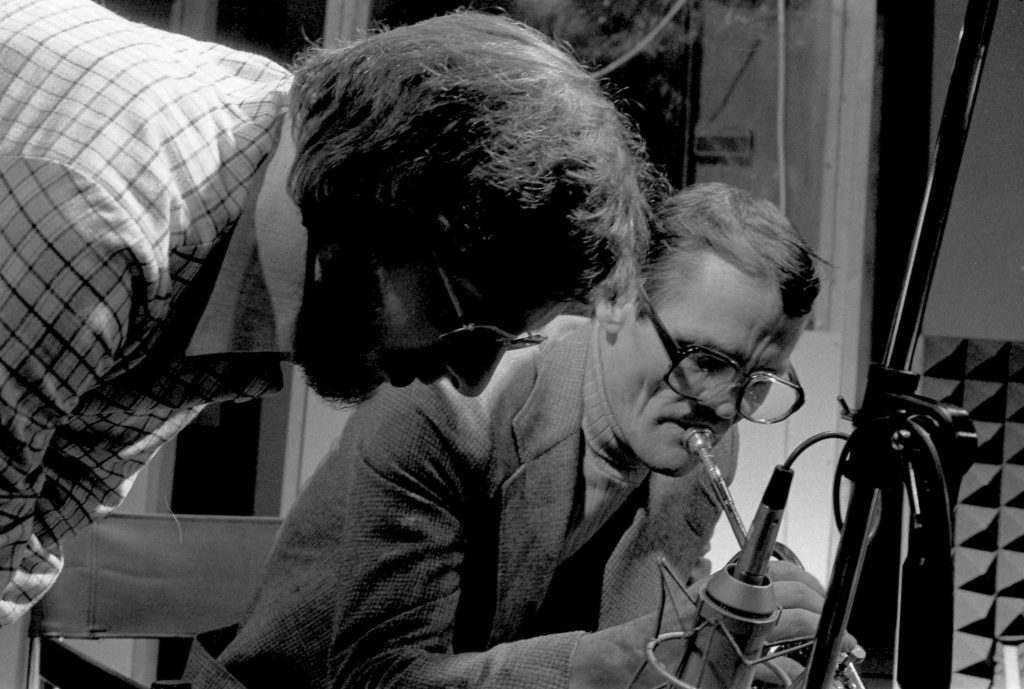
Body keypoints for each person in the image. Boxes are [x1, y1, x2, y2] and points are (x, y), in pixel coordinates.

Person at [0, 0, 655, 624]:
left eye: (509, 344)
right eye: (472, 326)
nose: (471, 382)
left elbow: (37, 519)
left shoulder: (264, 205)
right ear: (385, 205)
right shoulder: (108, 216)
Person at [184, 182, 856, 689]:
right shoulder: (447, 412)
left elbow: (656, 630)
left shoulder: (702, 445)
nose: (725, 407)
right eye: (705, 361)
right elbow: (382, 677)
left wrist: (740, 663)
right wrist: (636, 654)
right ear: (615, 300)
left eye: (759, 381)